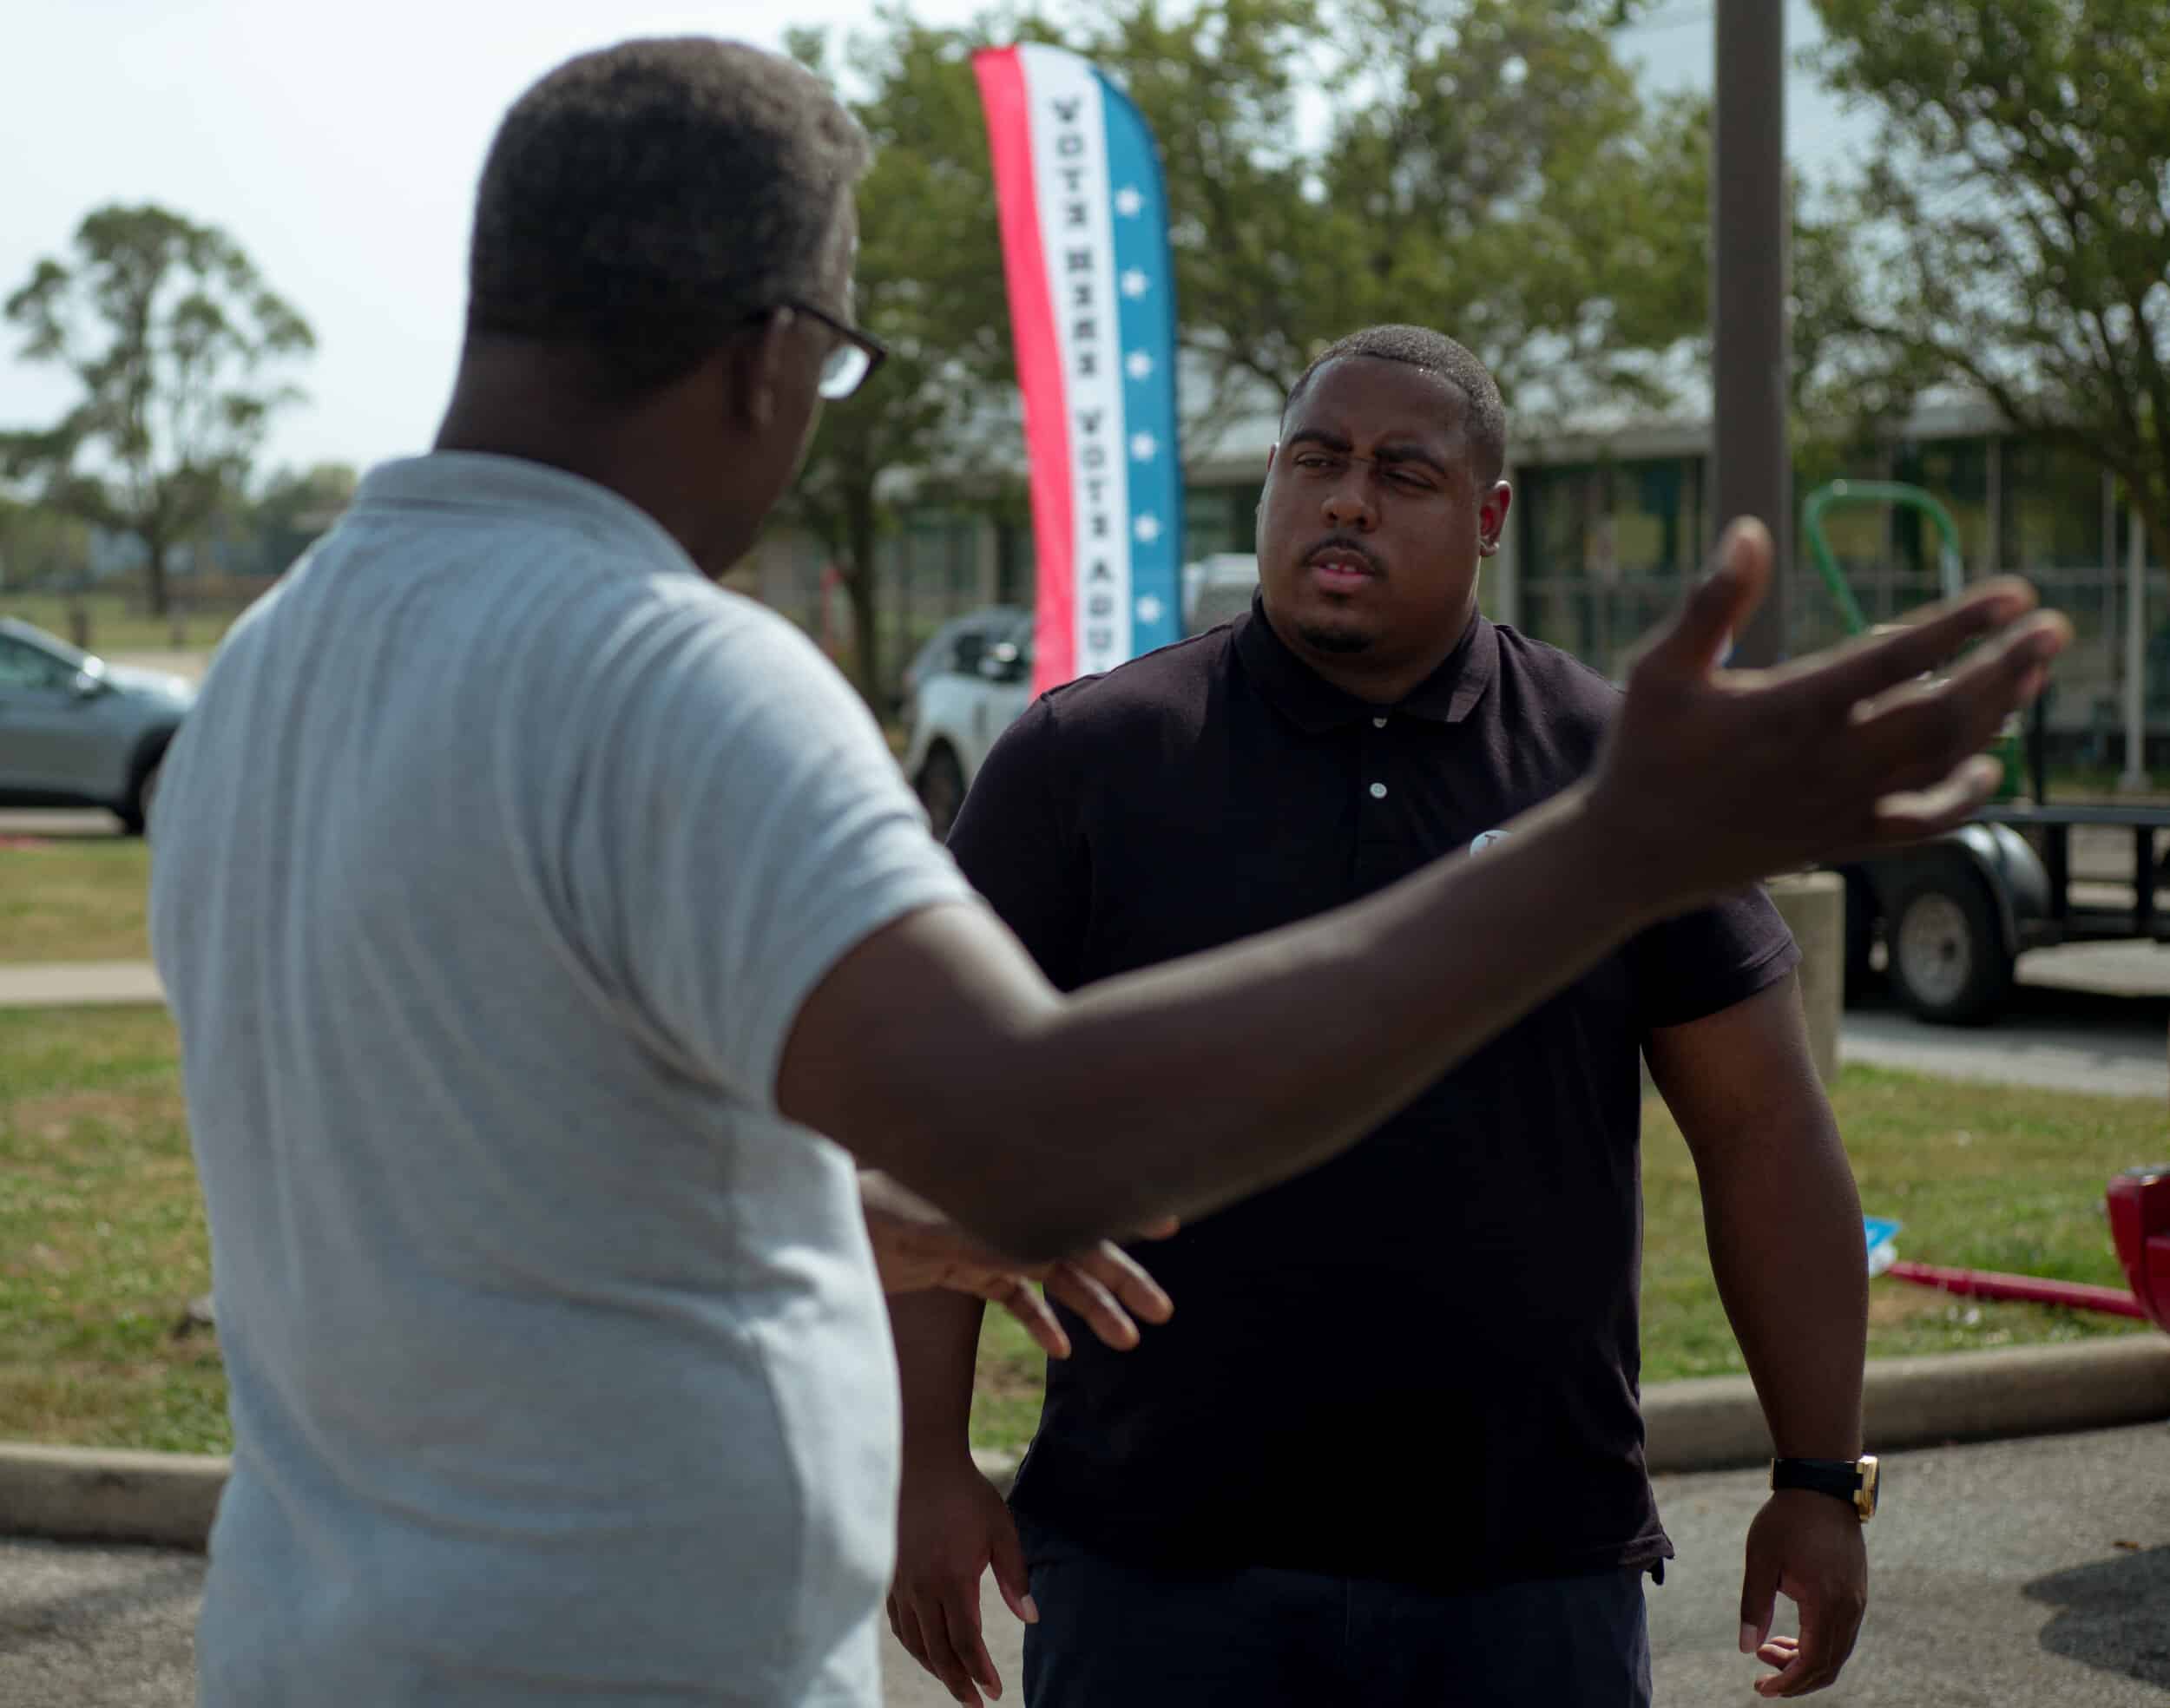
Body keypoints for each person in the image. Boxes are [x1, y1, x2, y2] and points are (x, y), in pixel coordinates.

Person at [146, 36, 2064, 1708]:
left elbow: (545, 1172)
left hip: (322, 1649)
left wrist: (886, 1237)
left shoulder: (267, 675)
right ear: (766, 354)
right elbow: (1032, 1150)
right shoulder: (679, 678)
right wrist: (1605, 853)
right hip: (621, 1664)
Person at [886, 324, 1899, 1708]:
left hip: (1524, 1570)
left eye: (1402, 473)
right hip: (1154, 1569)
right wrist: (926, 1464)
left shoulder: (1610, 771)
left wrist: (1818, 1474)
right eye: (1316, 461)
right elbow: (939, 1113)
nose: (1347, 499)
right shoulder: (1091, 756)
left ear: (1488, 518)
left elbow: (1764, 1127)